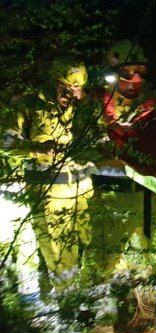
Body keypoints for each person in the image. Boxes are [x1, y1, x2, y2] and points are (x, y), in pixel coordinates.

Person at [82, 40, 156, 333]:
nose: (135, 79)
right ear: (112, 71)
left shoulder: (153, 102)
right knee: (100, 259)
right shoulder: (96, 104)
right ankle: (85, 322)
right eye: (127, 72)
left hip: (150, 192)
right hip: (112, 195)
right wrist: (107, 142)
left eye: (140, 71)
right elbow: (81, 145)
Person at [11, 60, 93, 298]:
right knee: (57, 249)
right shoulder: (28, 105)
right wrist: (36, 149)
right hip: (46, 191)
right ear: (53, 83)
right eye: (67, 88)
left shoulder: (83, 107)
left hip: (82, 189)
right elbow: (5, 142)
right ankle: (68, 303)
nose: (72, 95)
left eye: (78, 89)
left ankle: (94, 301)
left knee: (90, 243)